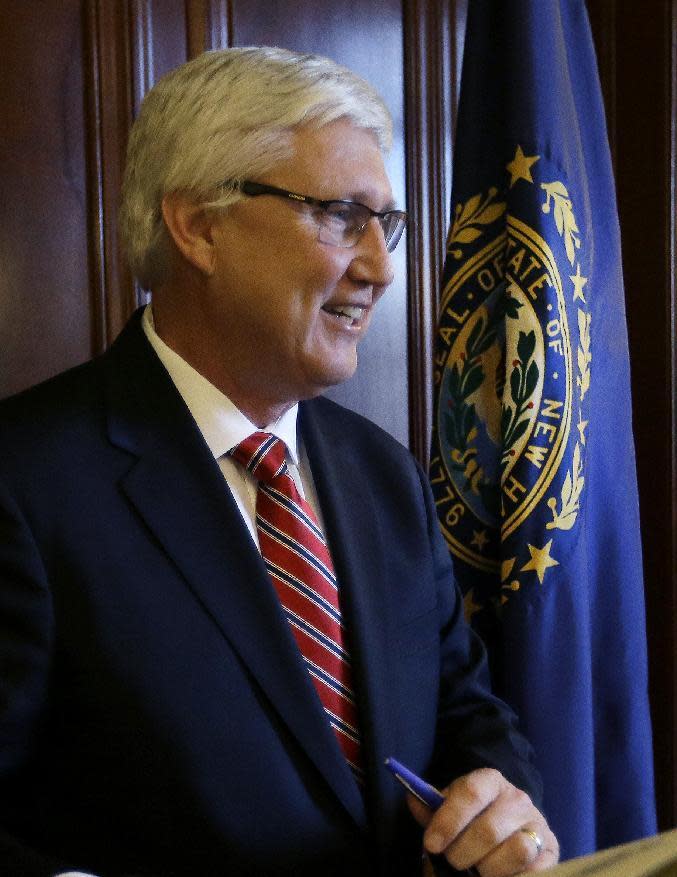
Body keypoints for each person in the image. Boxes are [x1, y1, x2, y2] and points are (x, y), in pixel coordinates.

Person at [0, 46, 558, 877]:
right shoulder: (25, 480)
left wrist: (501, 801)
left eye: (387, 223)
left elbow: (462, 714)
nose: (379, 267)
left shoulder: (385, 476)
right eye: (340, 214)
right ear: (198, 225)